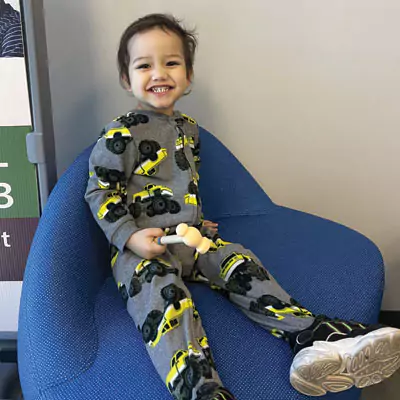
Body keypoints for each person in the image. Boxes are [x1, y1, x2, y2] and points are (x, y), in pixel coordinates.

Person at [85, 13, 400, 400]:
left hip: (191, 239)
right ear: (126, 78)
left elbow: (182, 184)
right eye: (144, 65)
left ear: (188, 74)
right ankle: (201, 390)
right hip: (144, 250)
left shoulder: (189, 129)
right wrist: (129, 237)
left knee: (239, 261)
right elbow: (99, 192)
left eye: (171, 62)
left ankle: (310, 336)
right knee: (167, 302)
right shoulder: (123, 131)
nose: (159, 73)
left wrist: (198, 222)